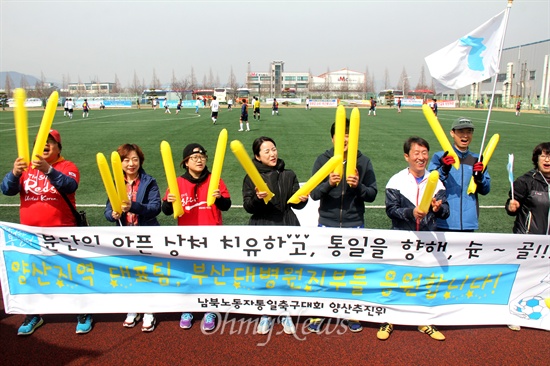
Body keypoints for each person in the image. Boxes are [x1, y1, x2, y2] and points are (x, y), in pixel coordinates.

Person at [1, 129, 93, 335]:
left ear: (58, 147)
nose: (44, 144)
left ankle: (82, 311)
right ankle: (33, 314)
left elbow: (70, 185)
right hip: (30, 235)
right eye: (40, 141)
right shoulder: (25, 167)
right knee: (32, 275)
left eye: (50, 142)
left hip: (62, 233)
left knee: (70, 273)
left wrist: (48, 170)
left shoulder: (67, 166)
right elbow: (6, 189)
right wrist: (14, 173)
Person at [309, 118, 378, 333]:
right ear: (333, 138)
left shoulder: (363, 161)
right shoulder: (323, 160)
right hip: (326, 224)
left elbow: (373, 194)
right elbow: (313, 193)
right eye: (341, 134)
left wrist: (358, 187)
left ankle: (351, 312)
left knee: (352, 272)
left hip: (354, 224)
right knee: (324, 270)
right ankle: (319, 311)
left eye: (350, 134)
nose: (346, 139)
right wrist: (329, 183)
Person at [379, 136, 449, 341]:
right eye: (416, 153)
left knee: (425, 280)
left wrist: (438, 208)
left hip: (428, 239)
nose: (421, 157)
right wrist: (411, 213)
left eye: (424, 153)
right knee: (397, 278)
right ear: (406, 156)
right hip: (402, 239)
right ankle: (389, 319)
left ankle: (424, 321)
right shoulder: (396, 181)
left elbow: (446, 211)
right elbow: (391, 210)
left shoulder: (436, 181)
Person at [241, 136, 308, 335]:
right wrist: (257, 199)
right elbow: (248, 207)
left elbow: (298, 202)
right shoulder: (251, 177)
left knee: (286, 270)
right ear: (257, 156)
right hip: (262, 227)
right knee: (265, 271)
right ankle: (266, 313)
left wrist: (301, 200)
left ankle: (285, 311)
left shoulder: (288, 174)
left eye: (274, 149)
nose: (272, 154)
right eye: (267, 151)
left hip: (287, 225)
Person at [162, 143, 231, 332]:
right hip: (187, 238)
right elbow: (167, 211)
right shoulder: (177, 182)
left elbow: (226, 205)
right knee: (188, 274)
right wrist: (168, 202)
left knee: (210, 273)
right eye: (194, 157)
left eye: (202, 156)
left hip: (213, 236)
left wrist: (219, 198)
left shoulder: (215, 179)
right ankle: (188, 309)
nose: (199, 160)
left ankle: (210, 310)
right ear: (186, 163)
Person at [104, 144, 161, 332]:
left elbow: (155, 208)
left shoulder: (149, 181)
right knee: (129, 272)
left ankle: (149, 311)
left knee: (147, 273)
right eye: (126, 160)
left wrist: (134, 207)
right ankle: (132, 308)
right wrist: (111, 214)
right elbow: (107, 209)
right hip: (124, 235)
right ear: (120, 163)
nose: (131, 164)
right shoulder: (115, 182)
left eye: (135, 159)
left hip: (145, 234)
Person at [504, 142, 550, 331]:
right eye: (543, 156)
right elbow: (511, 204)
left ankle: (542, 313)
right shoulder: (526, 181)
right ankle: (513, 313)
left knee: (545, 278)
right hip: (528, 239)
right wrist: (511, 206)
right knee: (523, 278)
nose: (547, 160)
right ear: (537, 159)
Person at [428, 117, 490, 231]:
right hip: (443, 221)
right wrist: (444, 169)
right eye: (461, 131)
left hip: (468, 223)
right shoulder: (440, 156)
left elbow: (485, 190)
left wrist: (479, 177)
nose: (465, 135)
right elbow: (429, 184)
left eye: (469, 132)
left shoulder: (477, 159)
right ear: (452, 133)